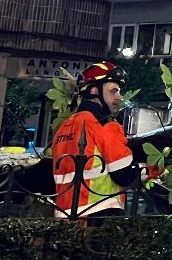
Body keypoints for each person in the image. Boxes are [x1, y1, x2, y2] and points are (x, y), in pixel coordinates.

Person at [50, 61, 140, 221]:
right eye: (114, 91)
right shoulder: (103, 125)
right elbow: (125, 175)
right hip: (100, 213)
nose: (118, 97)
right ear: (94, 90)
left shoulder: (64, 127)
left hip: (65, 217)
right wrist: (149, 167)